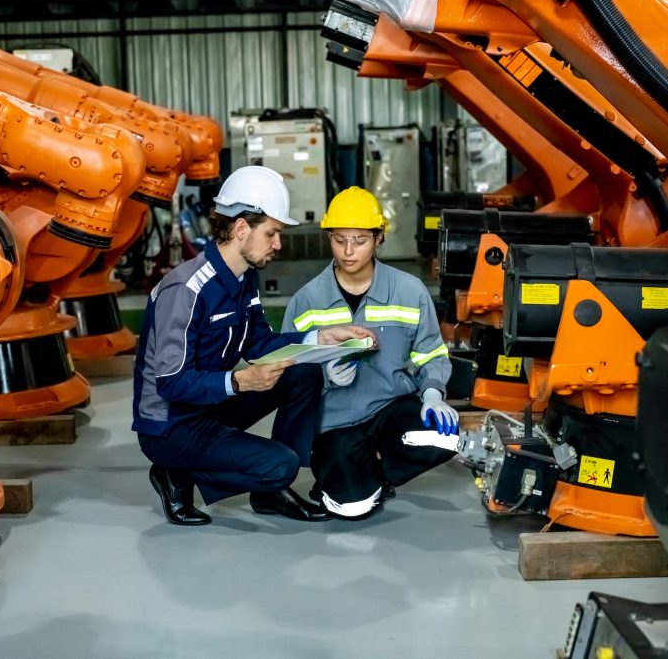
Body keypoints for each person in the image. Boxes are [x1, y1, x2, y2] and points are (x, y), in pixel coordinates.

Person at [133, 166, 375, 526]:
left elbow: (259, 342)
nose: (278, 244)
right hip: (171, 425)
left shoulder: (244, 279)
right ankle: (175, 472)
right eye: (272, 233)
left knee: (303, 373)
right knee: (281, 465)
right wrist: (240, 383)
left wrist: (320, 337)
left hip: (210, 404)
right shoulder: (185, 290)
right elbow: (169, 383)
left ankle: (271, 490)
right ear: (242, 228)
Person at [282, 186, 458, 519]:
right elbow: (287, 367)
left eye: (359, 240)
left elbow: (430, 353)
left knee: (445, 438)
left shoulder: (408, 291)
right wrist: (323, 373)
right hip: (335, 419)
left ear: (379, 238)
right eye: (339, 239)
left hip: (391, 407)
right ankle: (353, 474)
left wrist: (433, 394)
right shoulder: (307, 301)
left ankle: (372, 463)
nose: (348, 251)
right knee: (352, 507)